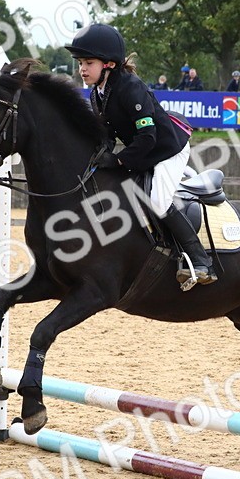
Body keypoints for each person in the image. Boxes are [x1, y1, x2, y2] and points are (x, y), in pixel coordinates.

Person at [64, 23, 216, 286]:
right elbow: (107, 135)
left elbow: (148, 137)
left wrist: (119, 159)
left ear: (109, 64)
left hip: (168, 148)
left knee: (157, 201)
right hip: (143, 150)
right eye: (80, 63)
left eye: (88, 62)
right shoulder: (98, 94)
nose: (82, 69)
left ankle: (201, 260)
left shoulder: (130, 88)